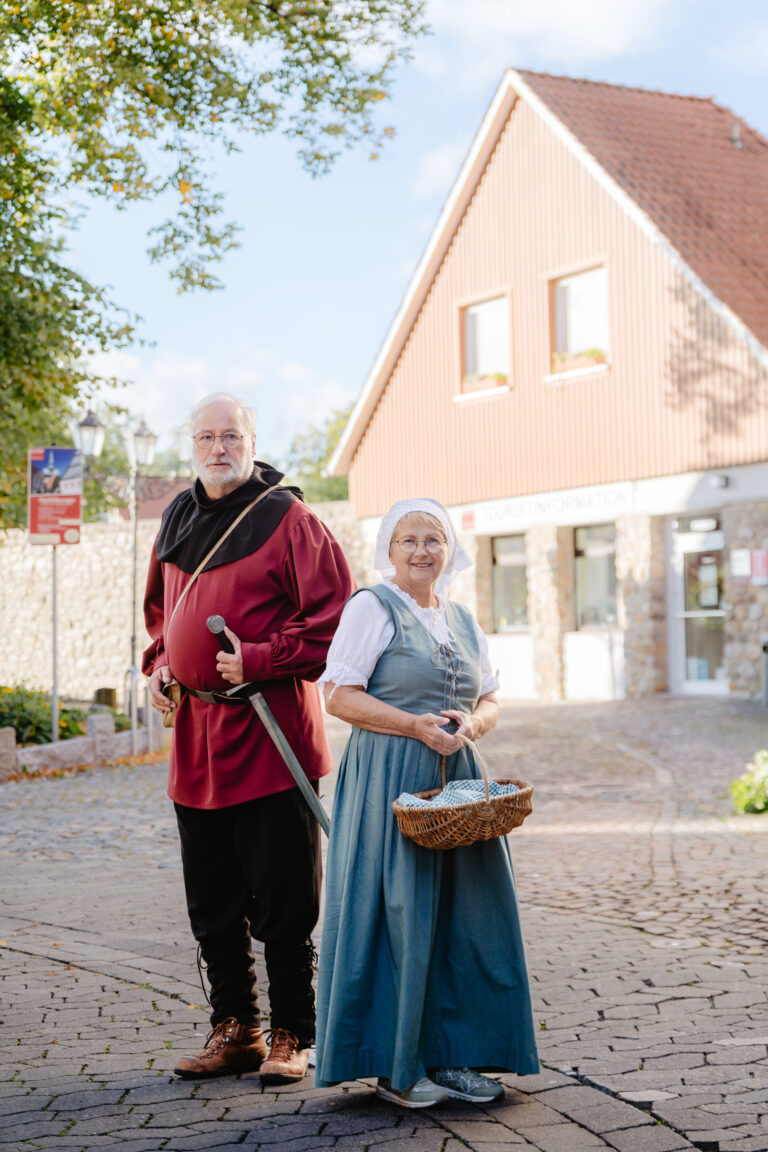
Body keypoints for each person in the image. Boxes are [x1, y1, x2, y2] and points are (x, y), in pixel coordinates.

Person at [143, 392, 354, 1083]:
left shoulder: (288, 519)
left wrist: (260, 659)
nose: (217, 447)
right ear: (192, 445)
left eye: (230, 435)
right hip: (197, 740)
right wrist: (160, 664)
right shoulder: (176, 514)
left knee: (285, 898)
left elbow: (331, 621)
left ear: (252, 440)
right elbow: (158, 612)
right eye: (205, 436)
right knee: (212, 900)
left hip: (269, 737)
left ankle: (295, 1030)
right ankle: (236, 1029)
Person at [315, 497, 538, 1108]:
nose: (421, 551)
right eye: (408, 540)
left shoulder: (464, 619)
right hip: (389, 777)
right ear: (389, 549)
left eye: (432, 540)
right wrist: (413, 726)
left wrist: (471, 724)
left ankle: (455, 1058)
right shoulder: (371, 607)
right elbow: (337, 695)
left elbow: (491, 699)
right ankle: (395, 1065)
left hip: (459, 784)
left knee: (467, 919)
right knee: (398, 911)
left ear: (449, 550)